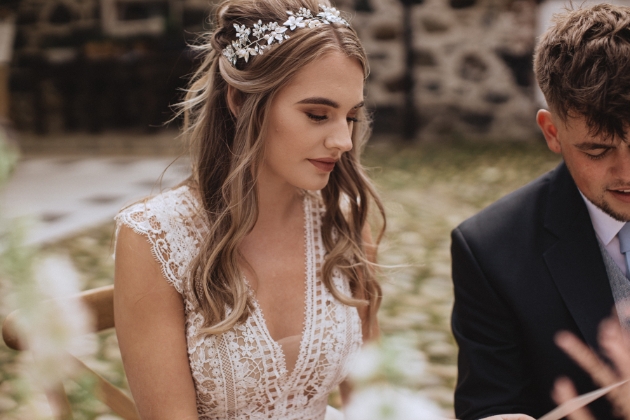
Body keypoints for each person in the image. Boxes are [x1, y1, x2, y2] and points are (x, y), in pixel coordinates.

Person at [112, 1, 385, 419]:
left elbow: (371, 399)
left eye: (350, 117)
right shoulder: (153, 238)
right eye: (317, 115)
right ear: (239, 100)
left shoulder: (343, 223)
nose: (343, 141)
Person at [450, 4, 630, 419]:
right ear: (552, 132)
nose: (625, 173)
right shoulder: (489, 249)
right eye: (597, 150)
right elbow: (492, 405)